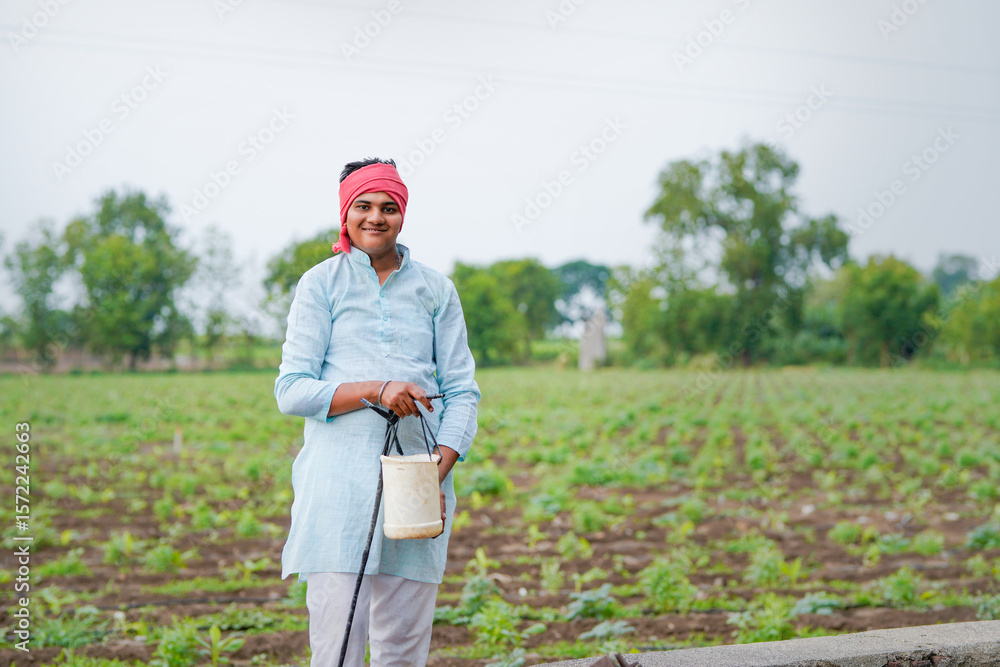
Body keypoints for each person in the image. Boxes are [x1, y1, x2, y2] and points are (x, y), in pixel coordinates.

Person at [274, 157, 480, 666]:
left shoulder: (436, 289)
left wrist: (438, 469)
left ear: (402, 214)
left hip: (418, 484)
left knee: (403, 650)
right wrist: (377, 389)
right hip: (338, 488)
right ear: (345, 213)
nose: (376, 217)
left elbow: (462, 391)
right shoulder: (321, 284)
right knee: (338, 648)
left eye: (389, 207)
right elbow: (292, 390)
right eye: (363, 206)